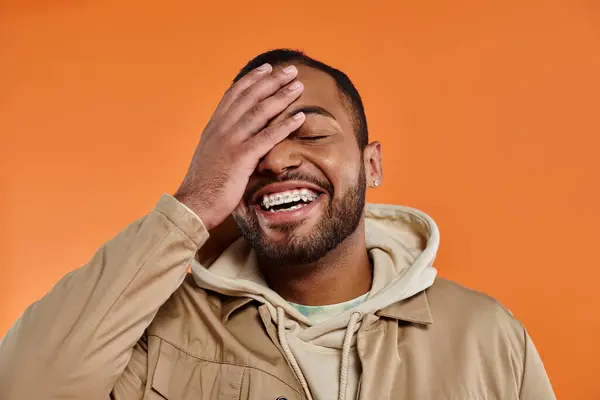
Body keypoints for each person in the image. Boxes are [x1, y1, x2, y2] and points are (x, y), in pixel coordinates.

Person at [0, 49, 555, 400]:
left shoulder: (488, 337)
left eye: (311, 135)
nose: (276, 160)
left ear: (372, 164)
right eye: (251, 144)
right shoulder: (156, 330)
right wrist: (194, 204)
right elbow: (22, 387)